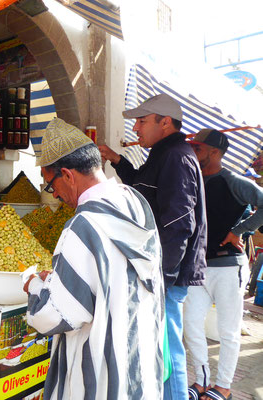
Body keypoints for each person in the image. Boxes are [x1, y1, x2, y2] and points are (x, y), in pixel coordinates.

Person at [24, 118, 165, 399]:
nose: (56, 196)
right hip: (142, 358)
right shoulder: (135, 202)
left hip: (101, 374)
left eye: (51, 186)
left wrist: (35, 287)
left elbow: (56, 317)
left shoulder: (83, 226)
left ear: (67, 175)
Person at [98, 93, 207, 400]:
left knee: (168, 346)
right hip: (159, 269)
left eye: (142, 121)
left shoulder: (177, 156)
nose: (136, 129)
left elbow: (180, 222)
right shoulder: (162, 154)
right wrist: (118, 161)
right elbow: (143, 189)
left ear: (166, 122)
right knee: (161, 344)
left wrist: (162, 275)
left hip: (166, 274)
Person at [184, 129, 263, 400]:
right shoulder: (192, 179)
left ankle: (224, 386)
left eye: (198, 148)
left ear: (214, 152)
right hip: (198, 267)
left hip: (229, 267)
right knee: (191, 325)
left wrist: (241, 229)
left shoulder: (232, 180)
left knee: (228, 331)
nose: (193, 152)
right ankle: (203, 381)